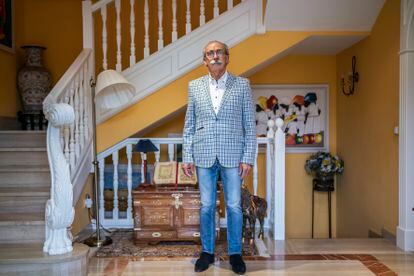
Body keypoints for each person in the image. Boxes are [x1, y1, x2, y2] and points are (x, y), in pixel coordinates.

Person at [182, 40, 256, 274]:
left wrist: (248, 157)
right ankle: (207, 252)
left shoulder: (242, 85)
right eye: (209, 53)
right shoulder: (194, 86)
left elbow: (249, 125)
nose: (214, 56)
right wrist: (187, 156)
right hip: (203, 153)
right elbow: (189, 125)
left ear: (227, 57)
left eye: (218, 52)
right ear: (205, 60)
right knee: (205, 206)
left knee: (234, 206)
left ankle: (235, 254)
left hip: (233, 154)